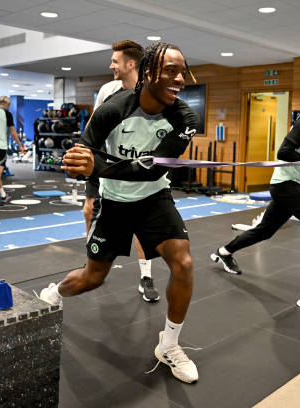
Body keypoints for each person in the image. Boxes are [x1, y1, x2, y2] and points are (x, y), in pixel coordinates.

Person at [39, 42, 201, 383]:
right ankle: (54, 294)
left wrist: (98, 166)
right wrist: (83, 171)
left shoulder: (184, 118)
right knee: (91, 279)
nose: (180, 78)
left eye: (182, 70)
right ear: (148, 74)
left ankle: (168, 345)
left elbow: (152, 171)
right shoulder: (112, 110)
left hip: (154, 198)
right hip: (113, 203)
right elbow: (83, 156)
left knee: (183, 263)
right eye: (171, 70)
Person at [210, 79, 300, 316]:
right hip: (286, 185)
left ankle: (223, 252)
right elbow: (284, 152)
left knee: (265, 230)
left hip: (293, 185)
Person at [83, 40, 159, 303]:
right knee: (88, 210)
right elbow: (94, 127)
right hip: (106, 168)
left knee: (141, 228)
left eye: (115, 61)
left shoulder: (151, 94)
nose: (110, 65)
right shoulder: (108, 90)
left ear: (131, 64)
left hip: (137, 173)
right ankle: (92, 263)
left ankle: (146, 277)